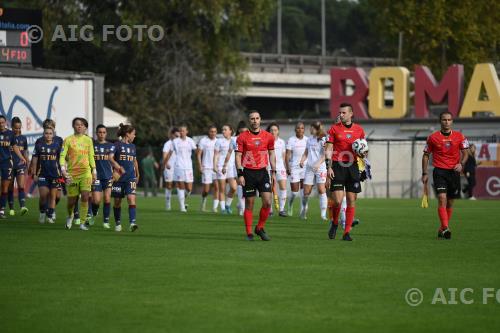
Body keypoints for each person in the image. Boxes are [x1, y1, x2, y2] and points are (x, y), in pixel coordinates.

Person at [422, 111, 469, 239]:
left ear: (452, 121)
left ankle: (441, 228)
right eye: (444, 120)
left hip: (454, 172)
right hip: (440, 171)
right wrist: (424, 173)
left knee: (450, 202)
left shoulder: (460, 136)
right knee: (442, 198)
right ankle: (446, 228)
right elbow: (426, 155)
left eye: (449, 120)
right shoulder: (433, 137)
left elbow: (466, 153)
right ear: (440, 121)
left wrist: (462, 164)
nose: (447, 122)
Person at [325, 103, 366, 241]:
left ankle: (347, 232)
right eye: (340, 113)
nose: (341, 115)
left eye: (343, 113)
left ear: (351, 114)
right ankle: (335, 222)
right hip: (337, 166)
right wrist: (328, 167)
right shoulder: (334, 129)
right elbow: (329, 148)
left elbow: (363, 150)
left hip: (353, 167)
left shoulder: (359, 130)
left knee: (351, 200)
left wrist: (363, 158)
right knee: (337, 201)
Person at [235, 111, 276, 241]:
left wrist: (273, 171)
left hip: (263, 172)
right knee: (249, 204)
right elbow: (238, 156)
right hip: (248, 173)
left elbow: (272, 154)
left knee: (268, 202)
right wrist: (240, 174)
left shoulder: (268, 136)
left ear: (260, 120)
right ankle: (249, 233)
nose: (255, 121)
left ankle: (259, 227)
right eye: (252, 119)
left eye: (257, 118)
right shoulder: (242, 137)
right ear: (249, 121)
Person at [59, 117, 96, 231]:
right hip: (72, 174)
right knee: (72, 201)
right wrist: (63, 169)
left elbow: (91, 156)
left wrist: (94, 170)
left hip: (86, 173)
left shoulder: (88, 140)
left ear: (85, 127)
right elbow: (62, 156)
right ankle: (70, 216)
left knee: (85, 197)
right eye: (77, 124)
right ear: (73, 126)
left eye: (82, 125)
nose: (79, 126)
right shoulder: (68, 140)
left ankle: (82, 223)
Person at [29, 119, 64, 221]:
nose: (49, 132)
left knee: (57, 196)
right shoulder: (39, 141)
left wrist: (63, 169)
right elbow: (35, 157)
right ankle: (43, 211)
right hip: (43, 170)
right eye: (47, 128)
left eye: (51, 127)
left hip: (56, 172)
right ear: (44, 129)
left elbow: (62, 156)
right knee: (44, 195)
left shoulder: (59, 140)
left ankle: (51, 210)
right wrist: (33, 170)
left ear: (54, 128)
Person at [89, 124, 121, 229]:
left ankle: (106, 221)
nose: (101, 134)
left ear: (106, 133)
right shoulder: (92, 146)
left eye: (103, 132)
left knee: (107, 199)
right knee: (96, 200)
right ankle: (93, 213)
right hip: (96, 177)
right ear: (96, 133)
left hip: (108, 177)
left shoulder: (111, 146)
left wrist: (116, 172)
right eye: (99, 132)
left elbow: (116, 161)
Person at [112, 123, 140, 232]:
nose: (134, 136)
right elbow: (110, 159)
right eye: (133, 134)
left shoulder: (133, 147)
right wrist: (115, 170)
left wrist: (138, 173)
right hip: (119, 178)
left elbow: (134, 161)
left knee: (131, 198)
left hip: (130, 177)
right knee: (117, 202)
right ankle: (118, 223)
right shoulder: (117, 145)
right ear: (127, 134)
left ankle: (132, 223)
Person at [299, 121, 328, 221]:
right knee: (306, 192)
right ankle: (304, 210)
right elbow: (306, 153)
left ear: (316, 129)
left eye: (311, 128)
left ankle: (323, 214)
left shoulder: (323, 139)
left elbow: (325, 155)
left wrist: (318, 164)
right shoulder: (309, 139)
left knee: (321, 190)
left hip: (320, 168)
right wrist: (302, 160)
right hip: (309, 168)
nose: (310, 129)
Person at [164, 125, 197, 212]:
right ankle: (182, 206)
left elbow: (196, 151)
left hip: (189, 167)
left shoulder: (190, 141)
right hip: (178, 166)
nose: (181, 132)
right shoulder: (175, 141)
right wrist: (166, 162)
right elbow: (170, 152)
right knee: (181, 186)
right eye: (180, 131)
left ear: (187, 131)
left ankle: (183, 199)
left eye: (183, 131)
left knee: (189, 189)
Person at [0, 115, 26, 218]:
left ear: (5, 123)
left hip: (6, 163)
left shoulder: (10, 134)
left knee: (4, 187)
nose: (1, 124)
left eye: (2, 122)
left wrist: (22, 157)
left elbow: (15, 147)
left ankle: (1, 210)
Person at [224, 121, 248, 216]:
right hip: (237, 166)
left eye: (245, 131)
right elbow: (229, 152)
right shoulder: (234, 139)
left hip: (248, 165)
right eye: (242, 131)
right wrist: (224, 165)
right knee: (240, 185)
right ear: (239, 130)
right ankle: (243, 209)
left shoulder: (250, 139)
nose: (244, 134)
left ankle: (240, 204)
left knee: (247, 187)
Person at [8, 117, 29, 216]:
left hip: (20, 165)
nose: (18, 130)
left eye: (19, 128)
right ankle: (11, 208)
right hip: (10, 166)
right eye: (16, 128)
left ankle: (22, 207)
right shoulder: (8, 137)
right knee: (10, 188)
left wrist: (27, 162)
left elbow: (25, 151)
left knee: (21, 186)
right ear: (12, 127)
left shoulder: (23, 138)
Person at [285, 122, 308, 216]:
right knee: (295, 192)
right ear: (295, 130)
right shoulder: (291, 140)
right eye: (298, 128)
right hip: (294, 168)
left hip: (306, 168)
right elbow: (287, 155)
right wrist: (287, 167)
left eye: (302, 128)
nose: (300, 130)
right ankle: (290, 205)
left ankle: (303, 211)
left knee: (304, 192)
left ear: (304, 130)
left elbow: (309, 153)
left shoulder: (308, 140)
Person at [214, 124, 237, 214]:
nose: (223, 131)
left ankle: (227, 204)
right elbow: (215, 154)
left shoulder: (234, 140)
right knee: (222, 189)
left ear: (230, 131)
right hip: (221, 166)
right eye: (222, 129)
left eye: (225, 129)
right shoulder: (219, 141)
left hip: (231, 167)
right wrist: (214, 165)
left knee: (233, 187)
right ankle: (223, 209)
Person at [266, 123, 287, 217]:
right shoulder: (266, 141)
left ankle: (281, 209)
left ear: (278, 131)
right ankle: (269, 210)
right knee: (269, 189)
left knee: (283, 187)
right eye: (271, 130)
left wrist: (284, 167)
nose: (273, 132)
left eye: (275, 130)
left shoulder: (282, 142)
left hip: (280, 167)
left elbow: (283, 156)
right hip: (269, 168)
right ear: (269, 131)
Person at [197, 126, 219, 212]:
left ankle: (215, 208)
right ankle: (203, 203)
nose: (213, 133)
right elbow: (198, 154)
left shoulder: (218, 141)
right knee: (206, 189)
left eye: (214, 131)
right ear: (208, 132)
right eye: (211, 131)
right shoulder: (203, 141)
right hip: (206, 167)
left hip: (216, 168)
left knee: (217, 187)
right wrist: (199, 165)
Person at [162, 128, 180, 210]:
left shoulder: (180, 143)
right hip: (169, 167)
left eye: (179, 135)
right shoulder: (168, 144)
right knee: (169, 185)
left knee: (181, 185)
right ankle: (168, 204)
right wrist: (166, 163)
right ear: (172, 135)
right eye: (176, 135)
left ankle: (182, 203)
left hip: (179, 167)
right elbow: (165, 154)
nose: (177, 137)